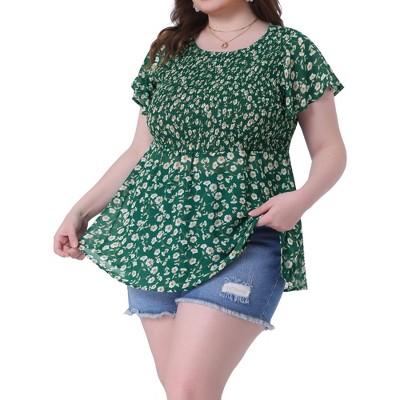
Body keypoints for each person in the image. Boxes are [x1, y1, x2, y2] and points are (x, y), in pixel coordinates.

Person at [54, 0, 346, 398]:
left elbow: (330, 148)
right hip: (154, 242)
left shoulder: (290, 50)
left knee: (188, 389)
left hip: (245, 235)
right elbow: (140, 149)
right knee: (185, 394)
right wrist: (80, 211)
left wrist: (301, 200)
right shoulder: (169, 50)